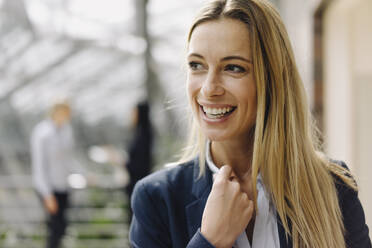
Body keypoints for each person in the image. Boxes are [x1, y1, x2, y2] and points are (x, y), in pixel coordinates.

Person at [129, 0, 372, 247]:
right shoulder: (157, 198)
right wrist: (210, 240)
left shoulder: (332, 187)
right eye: (197, 65)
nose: (209, 88)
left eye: (233, 68)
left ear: (273, 79)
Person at [30, 101, 78, 248]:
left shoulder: (67, 130)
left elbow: (68, 159)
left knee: (61, 227)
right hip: (49, 188)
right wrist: (47, 194)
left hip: (63, 186)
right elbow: (39, 166)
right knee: (54, 228)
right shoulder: (42, 132)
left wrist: (83, 174)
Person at [125, 101, 153, 220]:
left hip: (138, 182)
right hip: (134, 182)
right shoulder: (140, 133)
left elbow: (139, 164)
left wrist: (121, 161)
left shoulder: (144, 135)